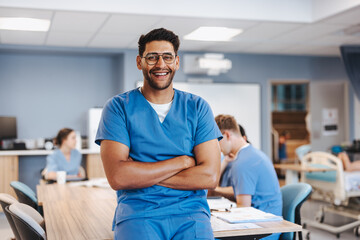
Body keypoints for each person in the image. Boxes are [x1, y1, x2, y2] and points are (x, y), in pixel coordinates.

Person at [95, 28, 222, 240]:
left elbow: (209, 176)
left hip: (191, 214)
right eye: (152, 57)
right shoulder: (118, 107)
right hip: (138, 214)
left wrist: (141, 173)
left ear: (177, 62)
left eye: (167, 57)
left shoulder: (198, 107)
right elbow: (118, 177)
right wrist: (182, 162)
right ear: (139, 62)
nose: (160, 64)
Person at [210, 114, 282, 240]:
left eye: (217, 140)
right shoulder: (246, 155)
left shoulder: (244, 163)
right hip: (264, 225)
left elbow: (244, 210)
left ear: (226, 135)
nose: (216, 146)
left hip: (265, 232)